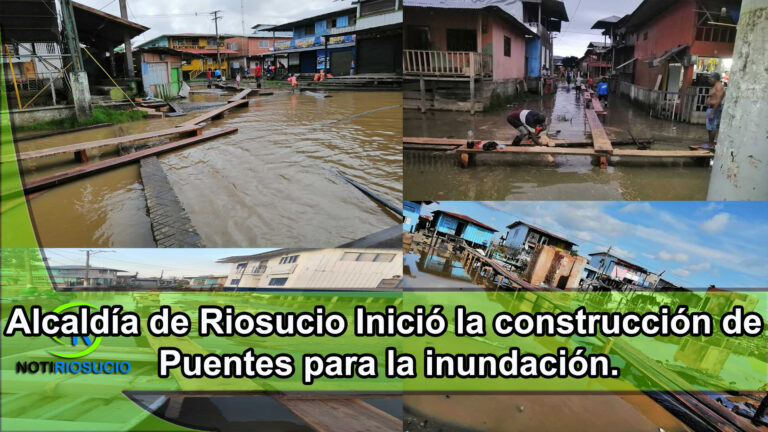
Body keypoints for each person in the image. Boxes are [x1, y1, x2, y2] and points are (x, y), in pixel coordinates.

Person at [704, 71, 724, 152]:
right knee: (709, 127)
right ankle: (710, 143)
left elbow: (718, 100)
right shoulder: (715, 86)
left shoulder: (719, 86)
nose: (709, 80)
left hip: (714, 109)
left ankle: (711, 144)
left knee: (713, 127)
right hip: (710, 108)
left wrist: (713, 113)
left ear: (715, 78)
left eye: (710, 78)